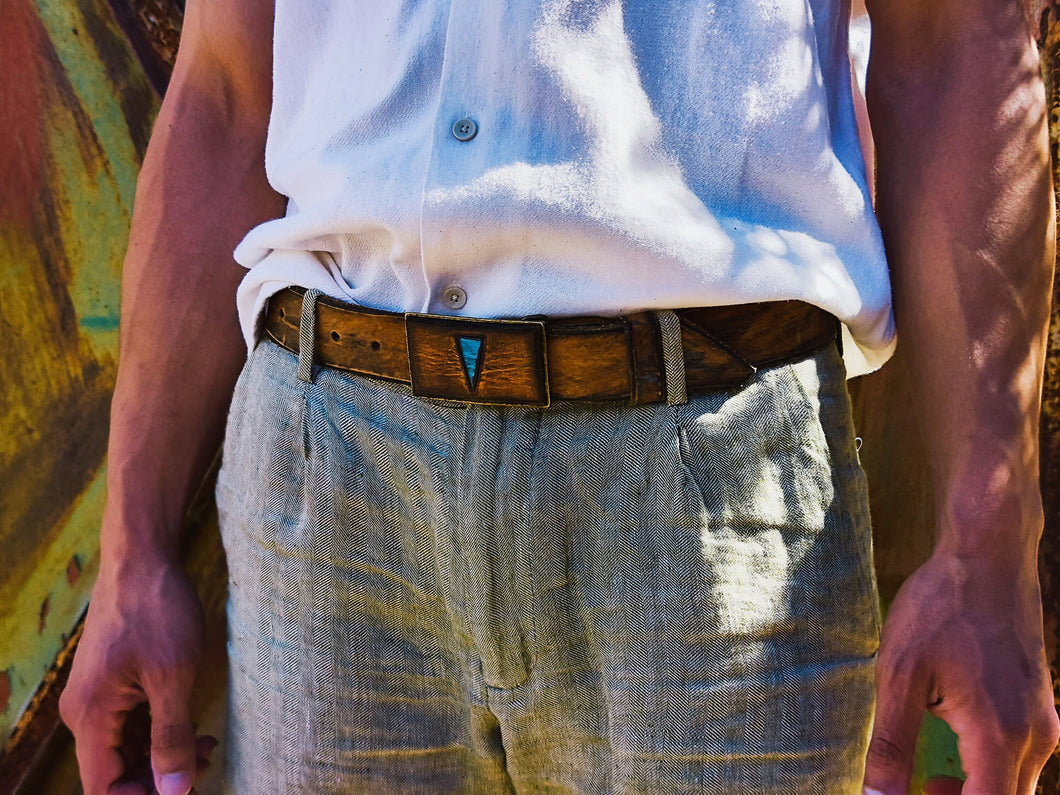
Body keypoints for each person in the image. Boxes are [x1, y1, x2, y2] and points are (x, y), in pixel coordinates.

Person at [58, 0, 1060, 792]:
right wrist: (131, 548)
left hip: (709, 500)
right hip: (327, 501)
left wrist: (986, 550)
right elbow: (227, 91)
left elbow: (956, 42)